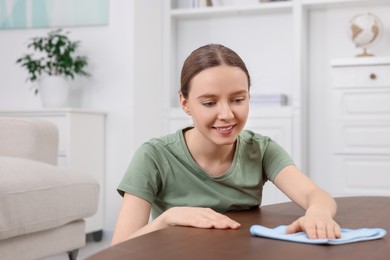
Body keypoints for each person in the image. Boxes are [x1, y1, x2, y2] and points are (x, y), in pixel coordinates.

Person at [111, 44, 341, 245]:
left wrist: (318, 213)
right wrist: (167, 218)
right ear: (185, 103)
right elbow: (119, 249)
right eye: (209, 103)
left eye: (238, 100)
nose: (227, 114)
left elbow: (315, 194)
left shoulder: (261, 149)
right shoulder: (154, 156)